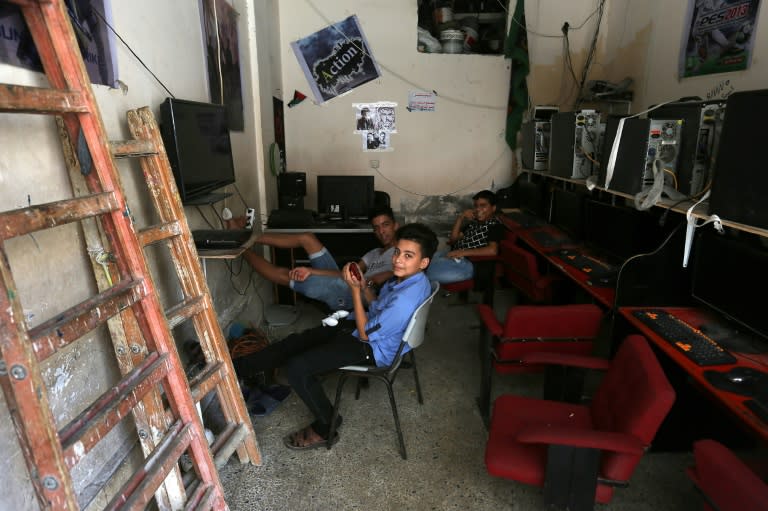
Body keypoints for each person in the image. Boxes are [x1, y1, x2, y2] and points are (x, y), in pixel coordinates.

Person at [232, 223, 438, 449]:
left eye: (408, 256)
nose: (398, 260)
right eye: (398, 252)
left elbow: (365, 334)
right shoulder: (409, 280)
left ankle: (327, 425)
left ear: (423, 262)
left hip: (371, 349)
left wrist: (354, 291)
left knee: (297, 368)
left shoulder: (405, 300)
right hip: (367, 332)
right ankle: (238, 369)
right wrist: (362, 286)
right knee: (296, 342)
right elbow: (378, 306)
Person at [243, 206, 398, 310]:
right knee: (307, 238)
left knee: (288, 275)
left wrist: (312, 271)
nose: (381, 231)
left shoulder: (400, 255)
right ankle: (249, 237)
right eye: (377, 227)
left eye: (385, 225)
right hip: (347, 282)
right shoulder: (375, 253)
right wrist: (313, 271)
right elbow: (347, 274)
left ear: (395, 225)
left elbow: (363, 280)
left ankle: (241, 248)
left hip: (349, 296)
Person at [426, 189, 504, 284]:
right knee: (424, 260)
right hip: (455, 255)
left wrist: (462, 252)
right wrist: (461, 217)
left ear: (493, 208)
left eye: (483, 206)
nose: (478, 209)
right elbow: (453, 239)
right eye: (476, 206)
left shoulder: (495, 225)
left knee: (428, 273)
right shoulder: (474, 223)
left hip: (469, 264)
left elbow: (493, 250)